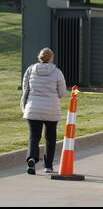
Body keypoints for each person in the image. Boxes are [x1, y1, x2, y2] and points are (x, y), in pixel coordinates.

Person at [21, 47, 66, 175]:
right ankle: (48, 166)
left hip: (33, 108)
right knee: (50, 138)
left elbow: (25, 88)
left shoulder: (30, 70)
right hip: (51, 109)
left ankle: (31, 159)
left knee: (34, 137)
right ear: (51, 58)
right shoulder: (57, 72)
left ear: (39, 57)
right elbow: (62, 93)